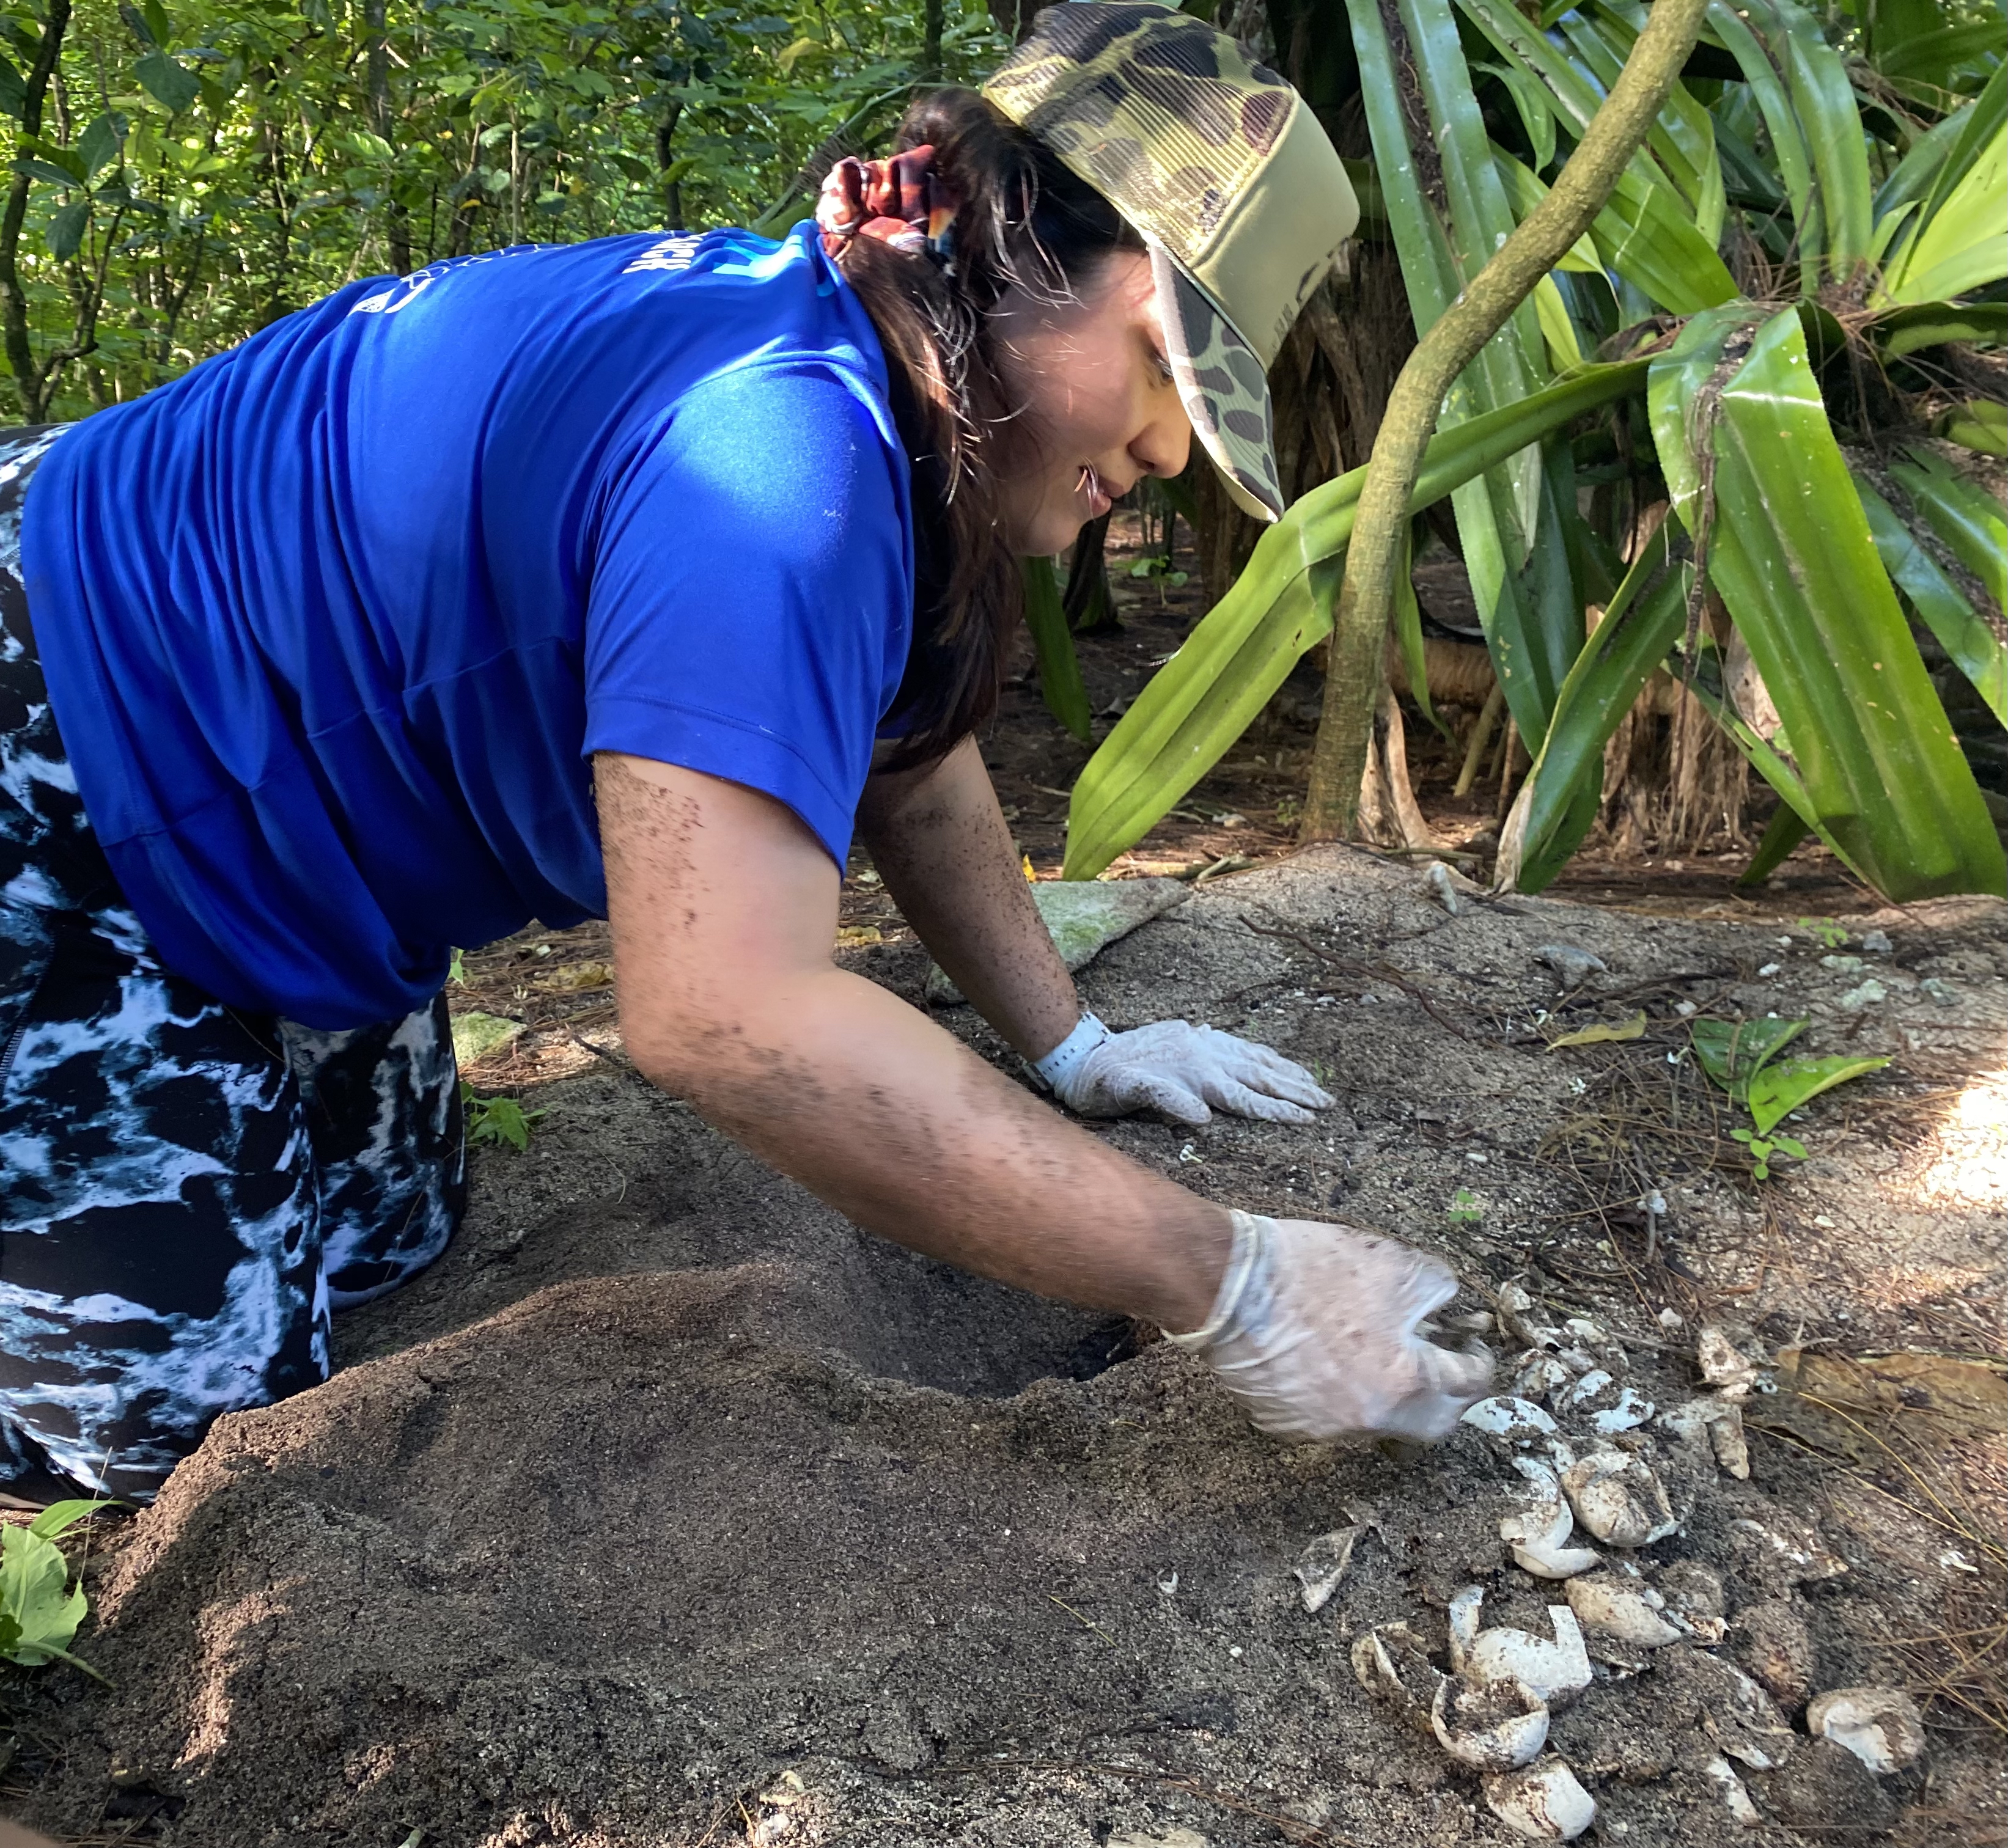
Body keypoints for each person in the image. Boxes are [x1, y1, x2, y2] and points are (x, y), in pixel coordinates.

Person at [0, 2, 1490, 1508]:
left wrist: (1073, 1048)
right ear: (1023, 260)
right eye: (1163, 370)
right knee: (168, 1465)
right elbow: (726, 1017)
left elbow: (898, 753)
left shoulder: (857, 358)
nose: (1172, 454)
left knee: (388, 1232)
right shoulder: (774, 471)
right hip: (54, 762)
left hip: (270, 818)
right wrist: (1221, 1278)